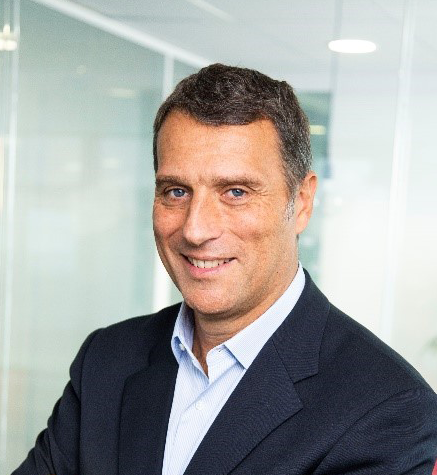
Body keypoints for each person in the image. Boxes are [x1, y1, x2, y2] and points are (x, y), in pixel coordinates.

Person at [13, 63, 437, 475]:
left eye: (235, 192)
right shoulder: (107, 359)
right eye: (176, 191)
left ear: (302, 202)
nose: (195, 229)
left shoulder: (386, 409)